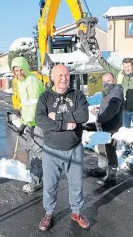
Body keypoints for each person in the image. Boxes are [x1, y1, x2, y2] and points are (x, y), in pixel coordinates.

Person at [35, 64, 90, 231]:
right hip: (51, 150)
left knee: (76, 184)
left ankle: (76, 212)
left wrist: (57, 116)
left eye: (66, 75)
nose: (64, 78)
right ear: (52, 77)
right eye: (59, 75)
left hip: (74, 148)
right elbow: (40, 120)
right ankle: (49, 213)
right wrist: (66, 125)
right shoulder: (45, 97)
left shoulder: (77, 95)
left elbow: (83, 115)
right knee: (50, 185)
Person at [98, 53, 133, 159]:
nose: (127, 69)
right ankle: (127, 150)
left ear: (132, 66)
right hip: (123, 110)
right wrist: (100, 58)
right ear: (122, 66)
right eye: (125, 66)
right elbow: (108, 67)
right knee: (124, 131)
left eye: (128, 66)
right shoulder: (120, 74)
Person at [11, 56, 45, 193]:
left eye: (21, 70)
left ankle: (37, 182)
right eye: (15, 70)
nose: (19, 73)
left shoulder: (32, 81)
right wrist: (23, 121)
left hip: (37, 122)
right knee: (33, 151)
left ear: (25, 68)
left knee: (37, 151)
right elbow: (26, 106)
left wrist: (24, 124)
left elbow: (34, 106)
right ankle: (38, 178)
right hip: (30, 122)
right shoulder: (21, 82)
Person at [91, 73, 124, 185]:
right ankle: (101, 169)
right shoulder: (108, 92)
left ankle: (112, 176)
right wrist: (98, 110)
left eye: (108, 81)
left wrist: (101, 118)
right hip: (103, 124)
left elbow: (112, 110)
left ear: (114, 80)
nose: (106, 83)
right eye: (104, 81)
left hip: (112, 126)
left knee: (110, 150)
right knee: (101, 147)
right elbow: (106, 106)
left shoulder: (116, 92)